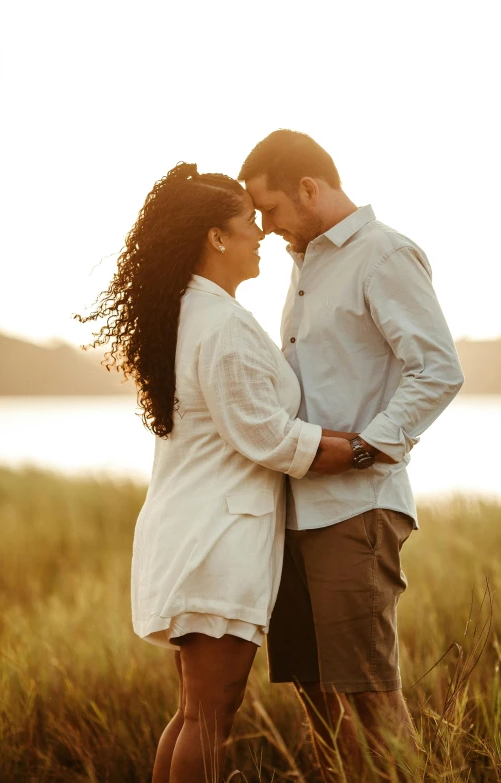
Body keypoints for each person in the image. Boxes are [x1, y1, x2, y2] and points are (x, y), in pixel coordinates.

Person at [76, 163, 391, 783]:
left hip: (194, 531)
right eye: (248, 222)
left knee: (195, 713)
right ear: (217, 239)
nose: (261, 235)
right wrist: (365, 447)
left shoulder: (194, 312)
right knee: (211, 716)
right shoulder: (217, 323)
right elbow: (267, 436)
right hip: (216, 541)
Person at [239, 130, 465, 781]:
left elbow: (438, 369)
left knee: (369, 690)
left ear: (310, 188)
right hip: (296, 513)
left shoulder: (383, 254)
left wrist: (367, 447)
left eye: (272, 208)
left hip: (355, 509)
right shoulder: (304, 262)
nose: (266, 225)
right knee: (315, 690)